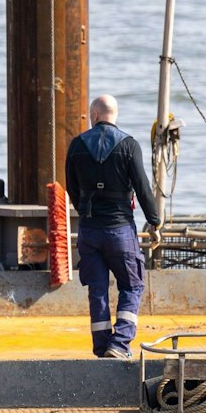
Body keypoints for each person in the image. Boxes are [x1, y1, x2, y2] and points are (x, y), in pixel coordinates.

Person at [64, 94, 162, 359]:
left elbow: (71, 187)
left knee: (97, 289)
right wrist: (154, 221)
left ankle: (102, 347)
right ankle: (119, 344)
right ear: (115, 115)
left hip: (89, 230)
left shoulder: (76, 145)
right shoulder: (129, 145)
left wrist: (85, 212)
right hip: (120, 230)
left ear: (94, 115)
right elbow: (142, 188)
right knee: (131, 286)